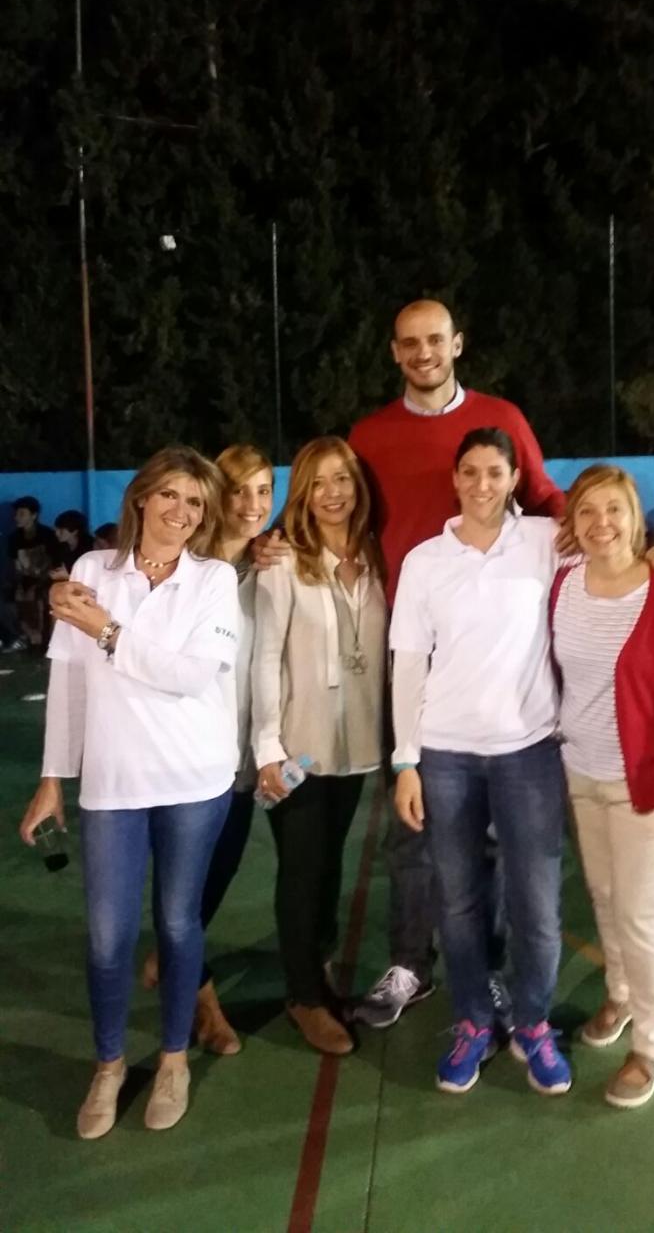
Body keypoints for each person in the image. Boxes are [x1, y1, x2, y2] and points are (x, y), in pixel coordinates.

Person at [347, 299, 565, 1028]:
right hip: (409, 644)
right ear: (393, 351)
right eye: (408, 342)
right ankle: (411, 962)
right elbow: (340, 519)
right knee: (414, 824)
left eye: (434, 339)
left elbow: (549, 505)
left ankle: (493, 975)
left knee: (498, 839)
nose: (422, 352)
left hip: (494, 664)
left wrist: (636, 546)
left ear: (457, 344)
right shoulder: (370, 435)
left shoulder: (502, 417)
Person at [20, 447, 239, 1140]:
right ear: (140, 499)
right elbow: (70, 683)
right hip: (112, 784)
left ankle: (172, 1057)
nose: (181, 512)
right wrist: (53, 778)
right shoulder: (90, 572)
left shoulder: (214, 580)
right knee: (109, 937)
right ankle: (109, 1064)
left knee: (178, 925)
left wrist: (108, 630)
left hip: (195, 780)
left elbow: (189, 675)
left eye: (195, 503)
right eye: (169, 495)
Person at [391, 428, 571, 1096]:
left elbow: (616, 559)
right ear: (456, 479)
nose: (481, 484)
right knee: (460, 903)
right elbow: (407, 664)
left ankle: (531, 1023)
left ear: (514, 476)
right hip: (445, 757)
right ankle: (472, 1019)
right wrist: (405, 760)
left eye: (494, 472)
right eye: (469, 472)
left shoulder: (547, 542)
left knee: (538, 904)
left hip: (528, 753)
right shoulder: (424, 561)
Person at [551, 465, 654, 1108]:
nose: (601, 524)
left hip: (647, 784)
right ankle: (619, 994)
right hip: (581, 772)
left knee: (643, 915)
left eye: (614, 509)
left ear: (636, 518)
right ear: (572, 523)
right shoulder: (562, 583)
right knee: (603, 894)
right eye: (586, 512)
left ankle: (651, 1044)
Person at [252, 437, 387, 1056]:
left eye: (344, 480)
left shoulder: (377, 557)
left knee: (329, 861)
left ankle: (318, 968)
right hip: (298, 747)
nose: (334, 493)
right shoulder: (282, 561)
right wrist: (268, 748)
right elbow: (263, 660)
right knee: (302, 870)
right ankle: (303, 995)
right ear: (301, 494)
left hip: (354, 743)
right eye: (320, 482)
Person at [139, 445, 275, 1055]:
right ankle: (205, 1006)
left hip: (240, 762)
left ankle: (173, 958)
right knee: (182, 894)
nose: (252, 505)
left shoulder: (271, 568)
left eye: (264, 491)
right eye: (239, 490)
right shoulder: (187, 568)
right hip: (181, 758)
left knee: (207, 887)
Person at [5, 496, 59, 648]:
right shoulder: (14, 538)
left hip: (46, 579)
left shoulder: (47, 535)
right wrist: (20, 586)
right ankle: (23, 636)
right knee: (10, 599)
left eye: (22, 514)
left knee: (42, 596)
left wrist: (36, 586)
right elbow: (15, 567)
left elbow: (53, 566)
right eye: (16, 514)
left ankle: (44, 638)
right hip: (25, 580)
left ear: (33, 515)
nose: (16, 518)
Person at [51, 510, 94, 580]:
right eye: (56, 529)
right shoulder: (61, 546)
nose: (56, 533)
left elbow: (89, 578)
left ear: (74, 531)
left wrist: (68, 576)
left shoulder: (89, 548)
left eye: (61, 530)